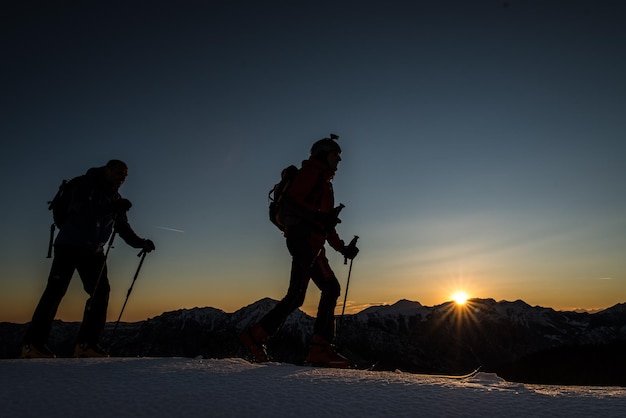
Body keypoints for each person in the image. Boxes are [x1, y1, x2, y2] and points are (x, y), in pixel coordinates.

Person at [240, 136, 359, 368]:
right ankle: (320, 350)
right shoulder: (311, 174)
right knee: (330, 288)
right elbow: (295, 205)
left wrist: (342, 247)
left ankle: (255, 336)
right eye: (336, 155)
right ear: (324, 154)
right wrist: (321, 220)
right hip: (304, 241)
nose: (340, 160)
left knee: (296, 296)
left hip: (308, 242)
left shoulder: (324, 182)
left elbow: (325, 225)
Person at [22, 160, 155, 358]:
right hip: (69, 244)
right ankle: (33, 345)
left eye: (125, 175)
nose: (122, 178)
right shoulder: (85, 184)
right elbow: (85, 213)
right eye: (119, 172)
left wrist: (141, 243)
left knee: (100, 293)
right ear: (107, 170)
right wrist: (114, 207)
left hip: (93, 250)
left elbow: (122, 228)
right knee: (55, 291)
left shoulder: (114, 197)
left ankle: (86, 345)